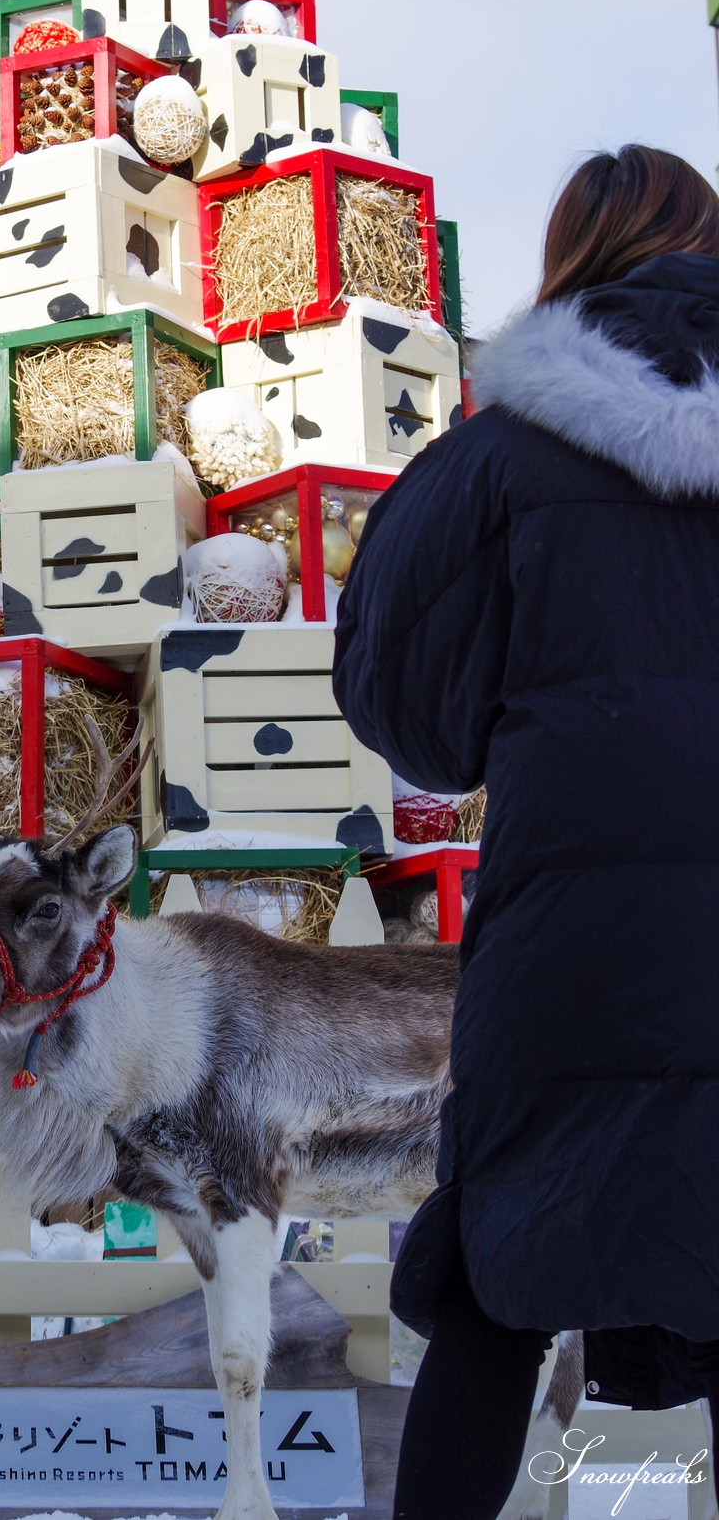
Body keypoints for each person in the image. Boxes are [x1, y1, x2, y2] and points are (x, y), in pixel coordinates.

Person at [333, 147, 719, 1518]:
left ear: (573, 260)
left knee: (500, 1279)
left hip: (576, 931)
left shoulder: (496, 457)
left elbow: (409, 711)